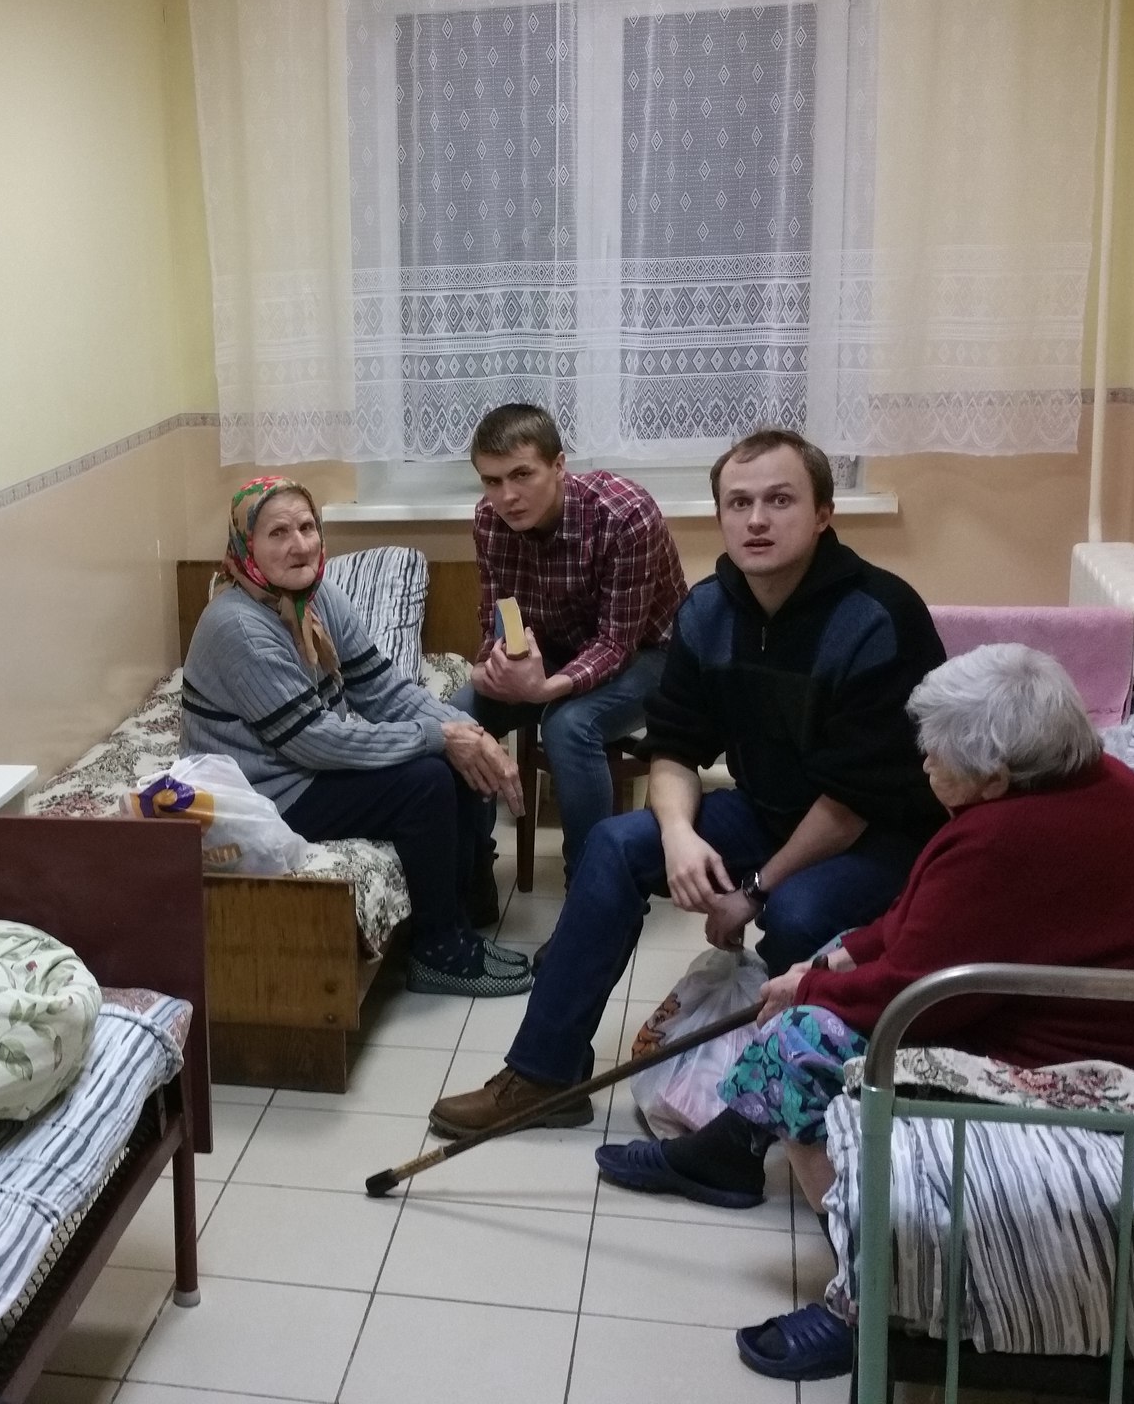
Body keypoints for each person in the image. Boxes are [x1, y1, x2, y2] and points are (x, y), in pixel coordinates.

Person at [594, 643, 1134, 1381]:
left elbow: (917, 998)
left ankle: (868, 1301)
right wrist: (832, 962)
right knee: (825, 957)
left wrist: (808, 992)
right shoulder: (1072, 785)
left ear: (995, 774)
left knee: (805, 1045)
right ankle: (728, 1154)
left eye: (939, 754)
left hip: (1105, 1066)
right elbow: (922, 920)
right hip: (1043, 1006)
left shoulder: (1012, 839)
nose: (923, 762)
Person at [428, 429, 948, 1136]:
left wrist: (754, 889)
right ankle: (545, 1075)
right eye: (739, 503)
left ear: (823, 513)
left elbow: (852, 803)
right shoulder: (708, 611)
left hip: (878, 837)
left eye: (779, 500)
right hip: (770, 813)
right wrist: (676, 834)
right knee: (615, 846)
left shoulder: (879, 616)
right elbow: (674, 744)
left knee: (796, 916)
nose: (756, 520)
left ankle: (782, 1113)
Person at [182, 475, 531, 996]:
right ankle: (437, 951)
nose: (299, 545)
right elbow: (315, 741)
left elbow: (380, 687)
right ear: (245, 544)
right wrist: (436, 737)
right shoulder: (237, 626)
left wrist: (466, 732)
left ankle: (461, 919)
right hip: (262, 793)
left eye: (307, 527)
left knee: (454, 755)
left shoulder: (316, 596)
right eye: (278, 533)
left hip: (297, 768)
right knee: (425, 783)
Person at [455, 404, 688, 878]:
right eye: (492, 481)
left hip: (653, 655)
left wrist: (545, 690)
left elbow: (616, 644)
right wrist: (487, 669)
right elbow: (497, 619)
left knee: (568, 724)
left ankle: (592, 884)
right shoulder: (488, 519)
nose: (507, 496)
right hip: (556, 649)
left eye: (522, 474)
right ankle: (472, 871)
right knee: (458, 720)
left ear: (559, 465)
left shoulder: (625, 514)